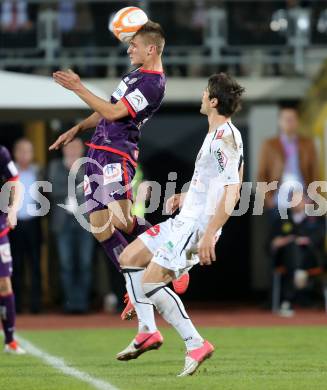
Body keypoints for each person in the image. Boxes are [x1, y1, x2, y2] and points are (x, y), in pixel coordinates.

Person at [49, 21, 189, 320]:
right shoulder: (136, 74)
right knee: (100, 227)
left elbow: (114, 113)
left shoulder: (153, 83)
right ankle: (134, 286)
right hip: (97, 150)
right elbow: (107, 108)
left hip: (116, 153)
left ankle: (170, 254)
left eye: (134, 46)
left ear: (151, 49)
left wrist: (78, 87)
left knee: (123, 221)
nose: (128, 49)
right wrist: (78, 127)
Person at [116, 73, 244, 376]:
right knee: (129, 258)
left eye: (205, 92)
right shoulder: (215, 134)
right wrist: (186, 195)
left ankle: (194, 342)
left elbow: (233, 190)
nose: (201, 96)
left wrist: (210, 233)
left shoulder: (226, 137)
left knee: (150, 282)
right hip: (185, 218)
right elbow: (214, 181)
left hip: (196, 227)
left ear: (214, 101)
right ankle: (147, 329)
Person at [48, 138, 94, 313]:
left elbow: (92, 189)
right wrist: (77, 185)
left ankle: (82, 304)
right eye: (70, 147)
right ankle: (69, 303)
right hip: (63, 221)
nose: (73, 150)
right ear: (63, 149)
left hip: (85, 221)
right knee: (66, 264)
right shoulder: (55, 166)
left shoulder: (88, 165)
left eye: (77, 147)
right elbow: (53, 189)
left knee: (85, 263)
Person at [257, 106, 319, 220]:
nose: (289, 122)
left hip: (303, 199)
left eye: (292, 119)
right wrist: (268, 199)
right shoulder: (269, 144)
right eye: (286, 119)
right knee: (280, 235)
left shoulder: (308, 144)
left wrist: (313, 197)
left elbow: (314, 172)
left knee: (303, 235)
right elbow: (262, 174)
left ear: (297, 122)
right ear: (279, 122)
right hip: (277, 200)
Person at [269, 192, 325, 317]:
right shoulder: (282, 219)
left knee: (297, 247)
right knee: (292, 247)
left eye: (298, 199)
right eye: (292, 199)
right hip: (286, 260)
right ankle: (298, 273)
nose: (295, 202)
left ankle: (287, 300)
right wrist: (286, 241)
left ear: (306, 201)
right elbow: (272, 242)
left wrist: (305, 240)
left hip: (310, 259)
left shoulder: (316, 219)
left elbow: (318, 238)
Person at [10, 138, 42, 314]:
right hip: (14, 225)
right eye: (21, 151)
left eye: (28, 151)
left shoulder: (38, 172)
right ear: (15, 153)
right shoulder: (8, 173)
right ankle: (17, 304)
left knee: (35, 265)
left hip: (33, 224)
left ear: (32, 154)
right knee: (16, 266)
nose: (24, 155)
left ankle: (36, 305)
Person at [0, 145, 25, 354]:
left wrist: (13, 210)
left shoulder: (2, 152)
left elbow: (15, 182)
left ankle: (10, 340)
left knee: (4, 283)